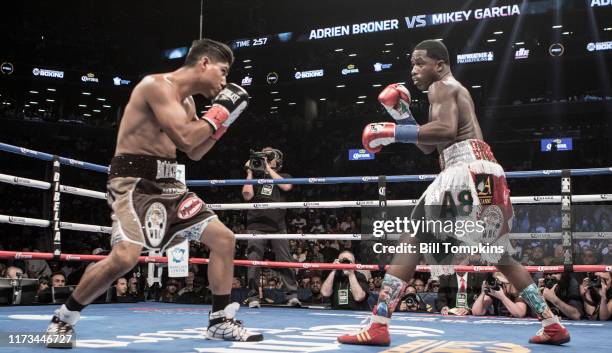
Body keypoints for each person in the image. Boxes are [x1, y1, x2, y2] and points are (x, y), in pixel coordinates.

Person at [338, 39, 569, 346]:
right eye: (411, 64)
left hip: (464, 169)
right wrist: (402, 116)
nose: (414, 70)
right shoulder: (449, 90)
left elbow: (445, 131)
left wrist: (389, 132)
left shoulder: (442, 87)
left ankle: (378, 324)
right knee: (499, 253)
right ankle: (552, 325)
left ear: (440, 64)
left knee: (413, 236)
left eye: (420, 63)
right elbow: (427, 145)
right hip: (486, 173)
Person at [44, 38, 262, 347]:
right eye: (223, 71)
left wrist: (223, 122)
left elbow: (195, 152)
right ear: (204, 63)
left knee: (223, 239)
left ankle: (220, 321)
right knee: (124, 258)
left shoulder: (187, 103)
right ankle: (63, 318)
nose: (224, 81)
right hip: (134, 182)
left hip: (170, 184)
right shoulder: (156, 86)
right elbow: (188, 138)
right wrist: (220, 111)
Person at [242, 147, 300, 307]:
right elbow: (247, 195)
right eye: (263, 155)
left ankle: (292, 296)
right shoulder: (256, 176)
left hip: (278, 226)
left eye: (269, 155)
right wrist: (250, 172)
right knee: (253, 261)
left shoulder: (284, 176)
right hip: (256, 225)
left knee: (285, 260)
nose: (265, 157)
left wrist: (267, 168)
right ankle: (253, 297)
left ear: (277, 161)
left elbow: (287, 186)